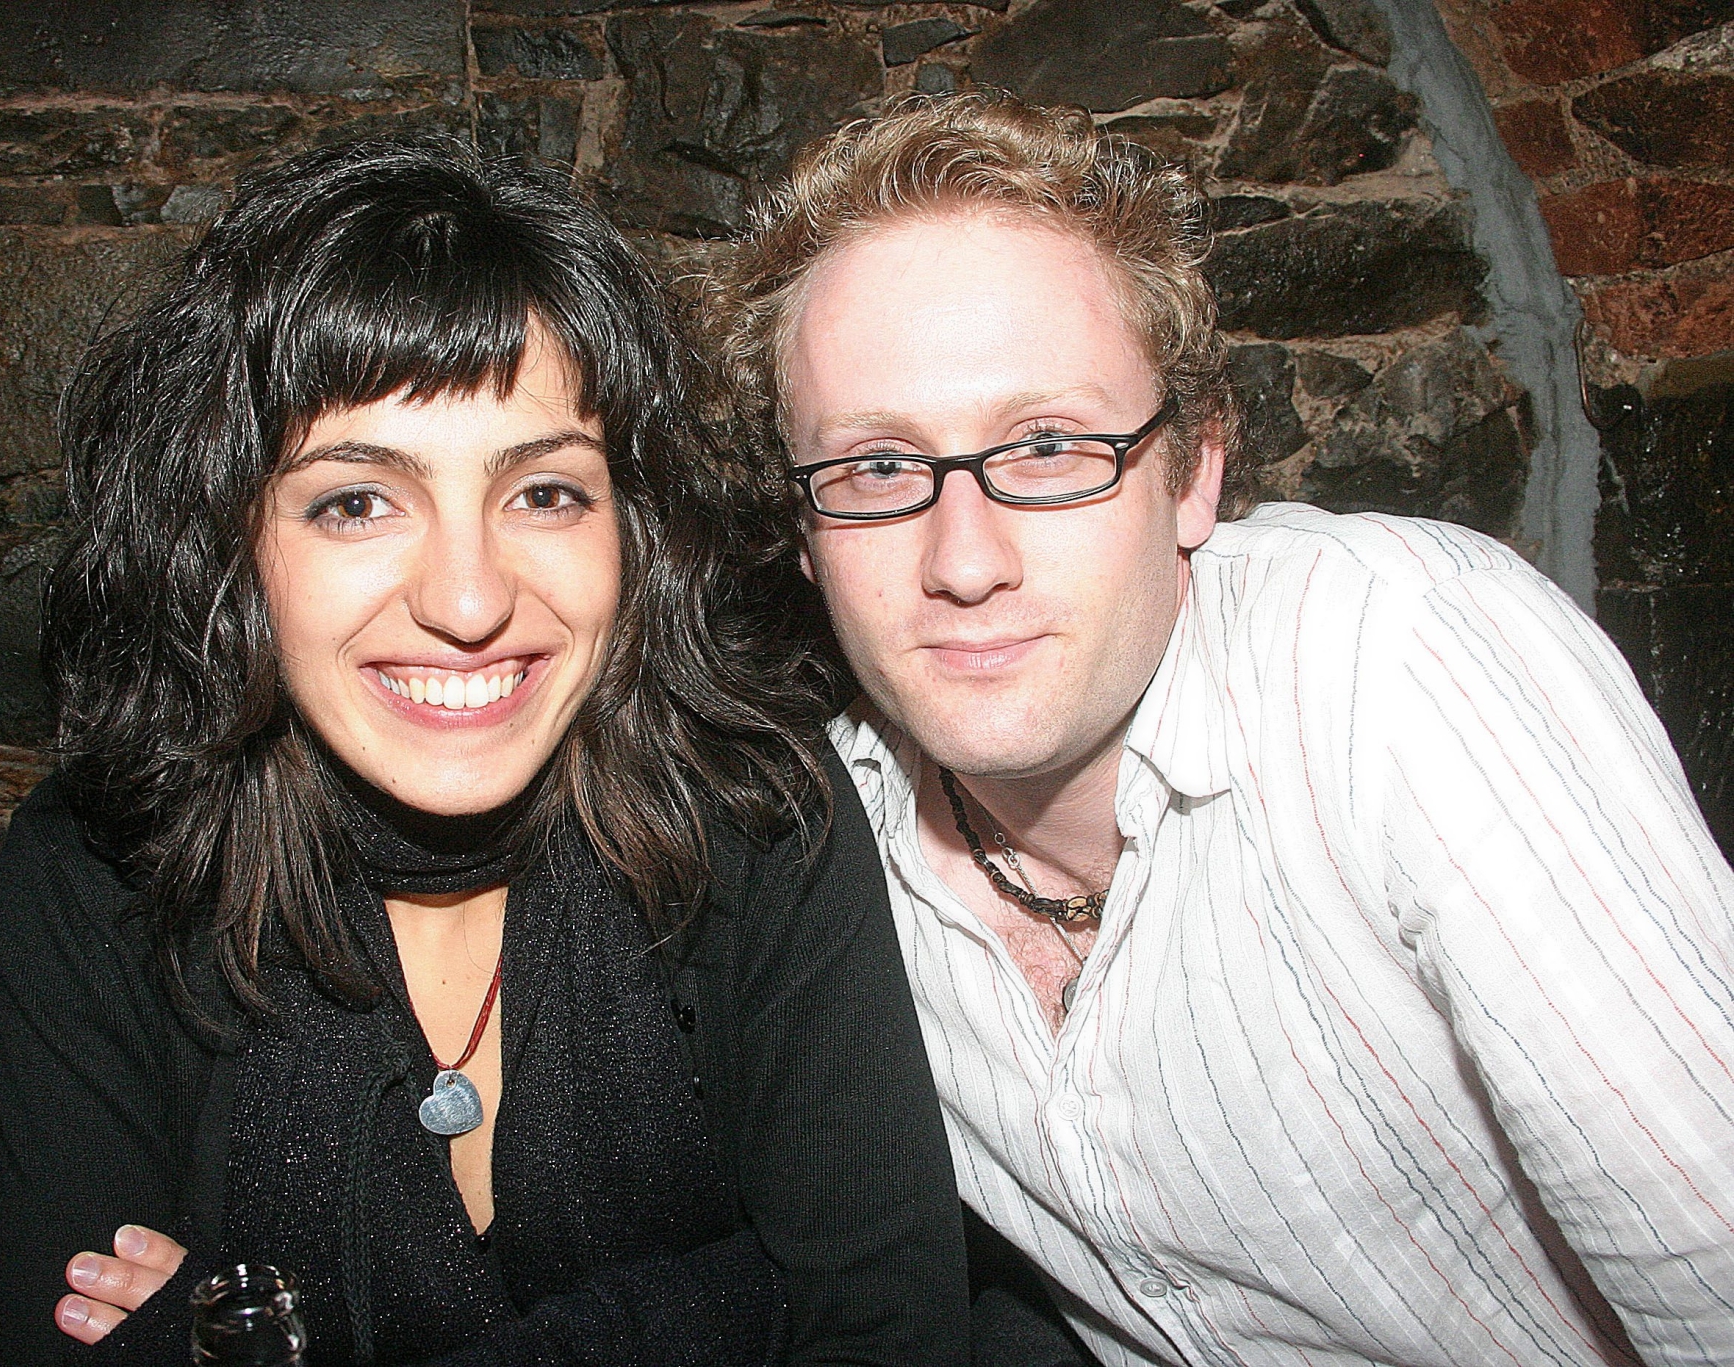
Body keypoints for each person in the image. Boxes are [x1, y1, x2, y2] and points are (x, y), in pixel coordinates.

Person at [703, 91, 1734, 1367]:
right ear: (805, 532)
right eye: (875, 467)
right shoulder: (813, 858)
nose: (963, 560)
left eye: (1048, 444)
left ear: (1194, 470)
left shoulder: (1398, 665)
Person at [0, 136, 971, 1366]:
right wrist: (725, 1303)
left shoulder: (759, 809)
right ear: (228, 540)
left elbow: (889, 1329)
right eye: (356, 501)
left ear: (635, 527)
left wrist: (285, 1334)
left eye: (545, 493)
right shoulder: (102, 867)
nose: (467, 598)